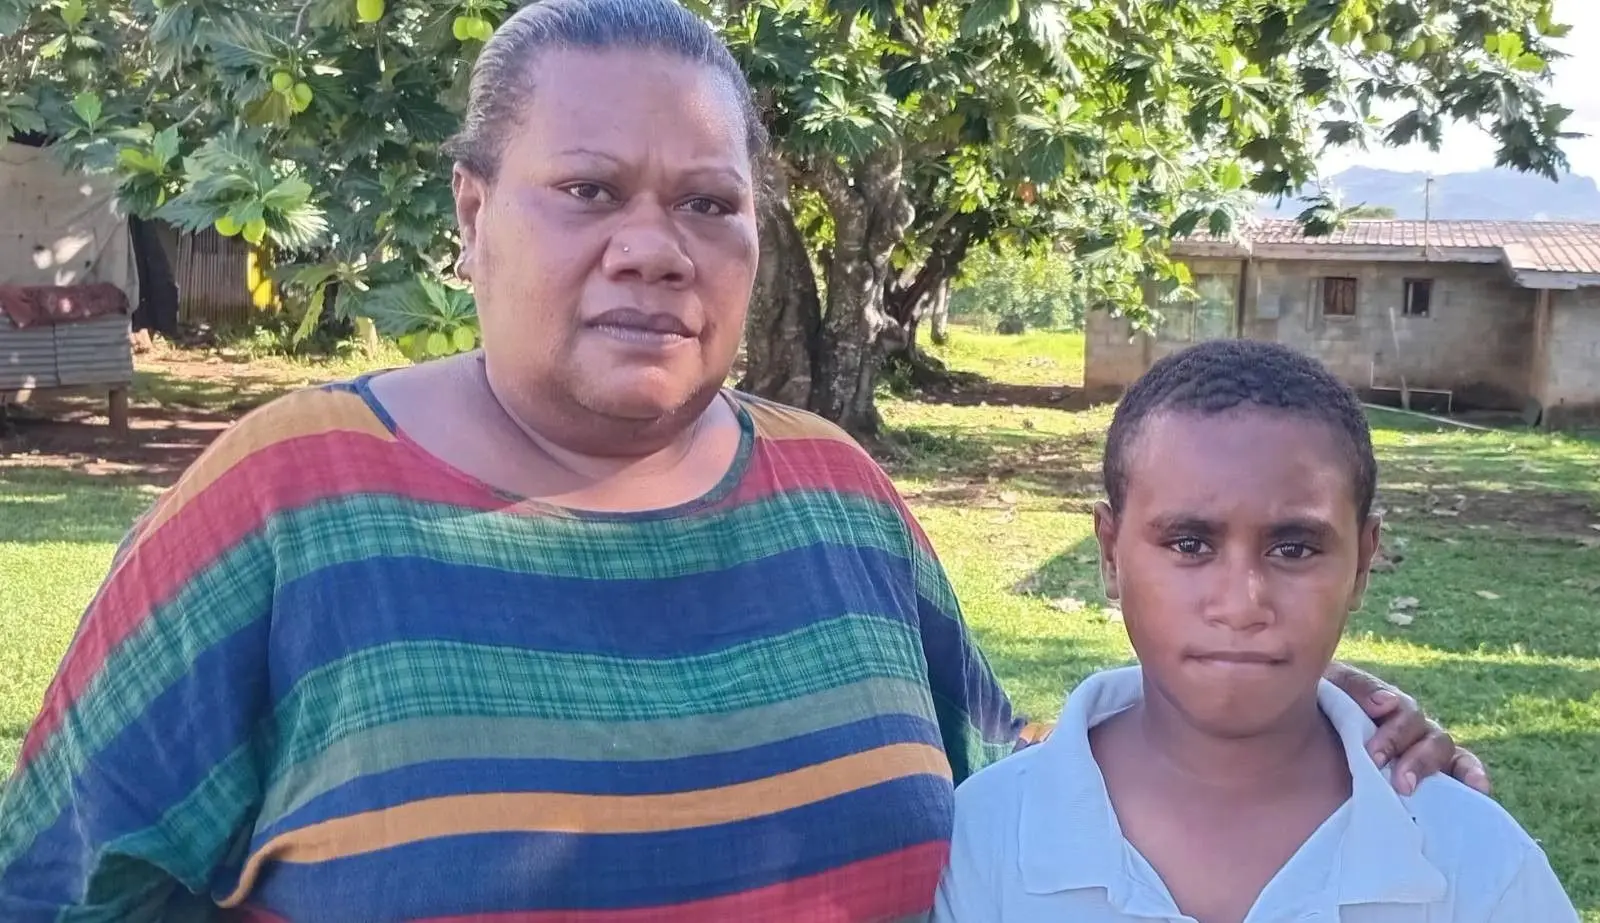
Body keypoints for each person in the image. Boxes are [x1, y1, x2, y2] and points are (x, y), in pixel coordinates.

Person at [0, 2, 1489, 920]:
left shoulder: (835, 496)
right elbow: (59, 880)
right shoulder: (288, 501)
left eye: (709, 203)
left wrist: (1294, 738)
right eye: (590, 190)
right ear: (471, 214)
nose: (653, 247)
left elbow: (1010, 795)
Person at [932, 340, 1578, 923]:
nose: (1242, 604)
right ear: (1110, 554)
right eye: (1189, 544)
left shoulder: (1475, 863)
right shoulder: (986, 842)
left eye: (1294, 549)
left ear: (1362, 563)